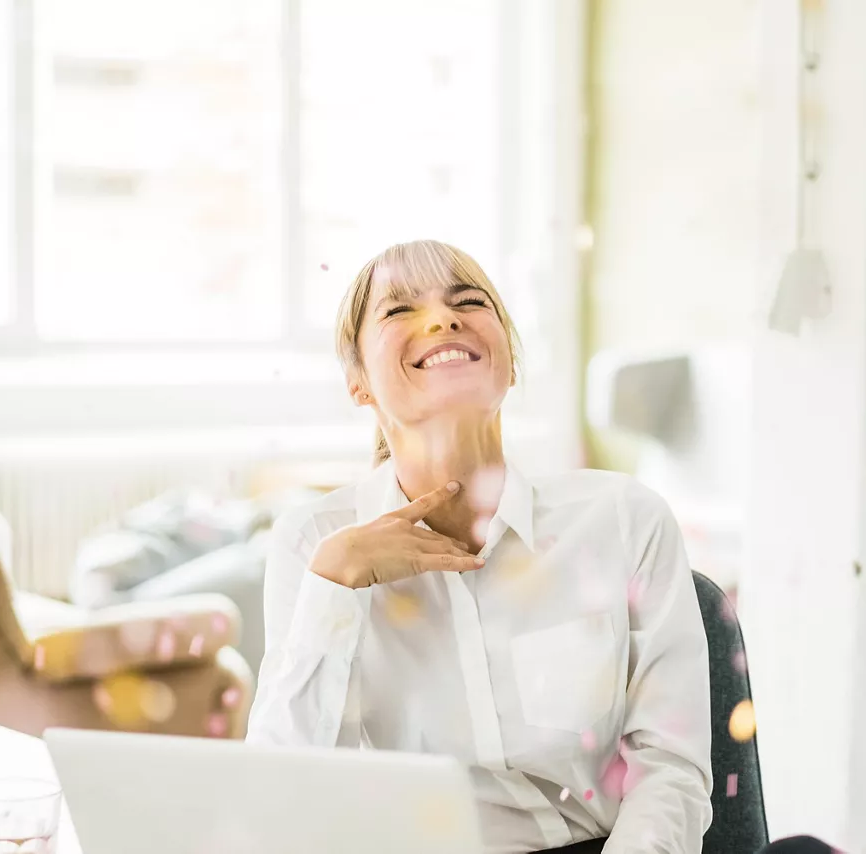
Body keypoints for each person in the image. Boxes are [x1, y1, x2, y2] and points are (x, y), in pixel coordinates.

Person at [247, 239, 712, 853]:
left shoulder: (624, 520)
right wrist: (333, 584)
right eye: (398, 311)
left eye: (468, 301)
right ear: (358, 382)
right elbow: (283, 801)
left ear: (510, 364)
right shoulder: (312, 544)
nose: (442, 319)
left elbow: (670, 769)